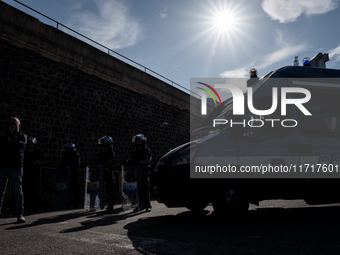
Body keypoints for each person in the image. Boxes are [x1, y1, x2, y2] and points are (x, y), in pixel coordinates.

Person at [0, 117, 27, 223]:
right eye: (9, 123)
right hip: (3, 166)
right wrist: (11, 144)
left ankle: (20, 213)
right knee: (0, 191)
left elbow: (19, 146)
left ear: (19, 125)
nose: (11, 125)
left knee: (17, 191)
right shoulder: (3, 137)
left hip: (16, 167)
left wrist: (8, 144)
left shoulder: (22, 136)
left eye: (14, 123)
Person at [126, 134, 152, 212]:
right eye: (137, 141)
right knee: (137, 190)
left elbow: (148, 160)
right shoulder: (134, 152)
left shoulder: (146, 150)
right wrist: (126, 162)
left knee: (145, 189)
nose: (138, 142)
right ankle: (139, 205)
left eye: (139, 141)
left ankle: (147, 205)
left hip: (143, 171)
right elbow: (129, 160)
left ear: (143, 141)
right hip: (135, 172)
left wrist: (141, 162)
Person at [23, 137, 47, 209]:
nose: (29, 145)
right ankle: (26, 204)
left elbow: (45, 161)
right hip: (25, 172)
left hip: (34, 172)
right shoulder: (24, 151)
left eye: (31, 143)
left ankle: (36, 203)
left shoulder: (37, 152)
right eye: (28, 143)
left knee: (33, 188)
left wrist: (38, 162)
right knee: (25, 188)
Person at [93, 136, 115, 210]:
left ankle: (111, 204)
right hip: (100, 172)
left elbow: (110, 161)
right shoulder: (101, 152)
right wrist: (94, 165)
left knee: (110, 189)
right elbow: (96, 161)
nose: (103, 143)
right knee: (100, 188)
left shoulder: (111, 152)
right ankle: (101, 204)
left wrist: (101, 165)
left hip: (108, 172)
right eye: (102, 142)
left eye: (104, 142)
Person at [59, 143, 81, 208]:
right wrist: (60, 167)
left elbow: (76, 164)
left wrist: (70, 167)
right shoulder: (66, 155)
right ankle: (66, 202)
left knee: (75, 189)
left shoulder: (76, 155)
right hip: (66, 175)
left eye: (68, 149)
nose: (67, 150)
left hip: (74, 174)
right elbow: (63, 163)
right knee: (67, 189)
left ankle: (77, 203)